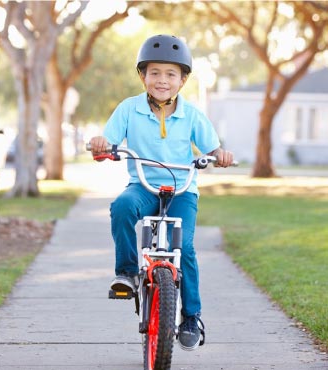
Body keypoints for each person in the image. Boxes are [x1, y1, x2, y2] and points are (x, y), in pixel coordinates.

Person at [89, 34, 234, 351]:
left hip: (181, 190)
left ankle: (191, 316)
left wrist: (221, 155)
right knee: (123, 207)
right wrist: (100, 146)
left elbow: (214, 148)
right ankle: (127, 273)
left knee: (187, 249)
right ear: (142, 76)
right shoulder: (129, 109)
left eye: (171, 74)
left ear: (183, 80)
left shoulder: (192, 114)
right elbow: (107, 142)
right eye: (154, 72)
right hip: (142, 185)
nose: (162, 80)